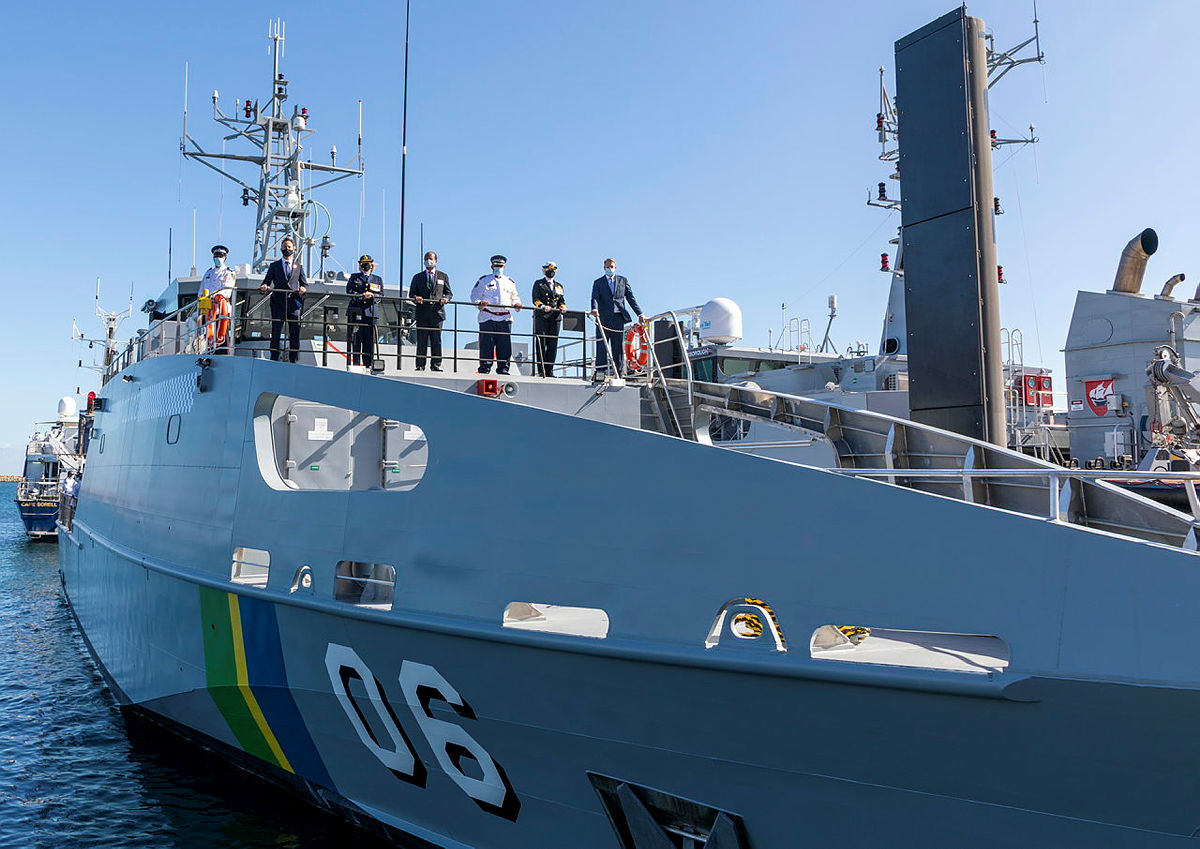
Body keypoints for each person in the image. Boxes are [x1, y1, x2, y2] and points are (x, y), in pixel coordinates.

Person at [590, 257, 644, 376]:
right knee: (602, 344)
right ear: (604, 268)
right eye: (608, 267)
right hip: (603, 317)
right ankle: (600, 371)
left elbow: (631, 298)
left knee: (617, 346)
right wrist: (594, 309)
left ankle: (619, 372)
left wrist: (639, 313)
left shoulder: (623, 281)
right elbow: (595, 297)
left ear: (616, 268)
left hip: (618, 317)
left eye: (612, 267)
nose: (610, 269)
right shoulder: (598, 282)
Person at [469, 255, 522, 374]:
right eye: (496, 265)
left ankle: (503, 369)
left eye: (501, 266)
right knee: (486, 344)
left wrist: (517, 304)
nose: (499, 267)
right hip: (488, 316)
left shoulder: (510, 282)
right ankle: (485, 368)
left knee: (504, 345)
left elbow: (515, 297)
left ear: (504, 267)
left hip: (504, 317)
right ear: (492, 266)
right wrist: (479, 303)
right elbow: (474, 296)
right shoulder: (484, 280)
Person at [259, 236, 308, 362]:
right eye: (285, 247)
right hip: (278, 302)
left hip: (293, 303)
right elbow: (267, 281)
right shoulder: (274, 266)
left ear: (294, 249)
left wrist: (303, 288)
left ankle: (294, 359)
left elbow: (304, 283)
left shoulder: (299, 266)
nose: (287, 249)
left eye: (289, 247)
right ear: (281, 248)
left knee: (294, 331)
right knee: (276, 330)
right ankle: (274, 357)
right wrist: (265, 286)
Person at [409, 250, 452, 371]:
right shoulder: (417, 277)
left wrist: (445, 299)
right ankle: (420, 365)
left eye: (431, 258)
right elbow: (411, 294)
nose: (428, 260)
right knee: (421, 340)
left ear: (436, 261)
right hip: (422, 313)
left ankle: (436, 364)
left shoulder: (443, 276)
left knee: (436, 340)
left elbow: (449, 293)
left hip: (437, 313)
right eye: (426, 258)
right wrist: (415, 298)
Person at [346, 254, 383, 366]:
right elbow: (349, 291)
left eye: (368, 263)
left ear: (372, 264)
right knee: (356, 340)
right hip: (356, 312)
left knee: (369, 341)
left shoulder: (377, 279)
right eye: (363, 263)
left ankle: (368, 364)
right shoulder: (354, 277)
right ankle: (356, 364)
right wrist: (362, 295)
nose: (366, 265)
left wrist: (372, 296)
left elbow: (381, 295)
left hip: (370, 313)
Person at [531, 262, 567, 377]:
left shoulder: (559, 286)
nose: (550, 271)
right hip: (542, 316)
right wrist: (542, 306)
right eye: (548, 269)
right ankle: (542, 370)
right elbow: (535, 299)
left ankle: (550, 370)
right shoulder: (539, 284)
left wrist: (562, 306)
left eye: (553, 269)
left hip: (555, 317)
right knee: (541, 343)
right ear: (544, 270)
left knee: (553, 344)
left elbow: (561, 300)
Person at [199, 244, 236, 354]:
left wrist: (214, 297)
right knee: (206, 335)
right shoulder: (208, 273)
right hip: (207, 309)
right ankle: (208, 352)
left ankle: (221, 354)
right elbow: (201, 290)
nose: (218, 258)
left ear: (225, 257)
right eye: (216, 256)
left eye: (220, 256)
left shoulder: (229, 272)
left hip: (221, 310)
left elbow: (227, 291)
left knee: (222, 335)